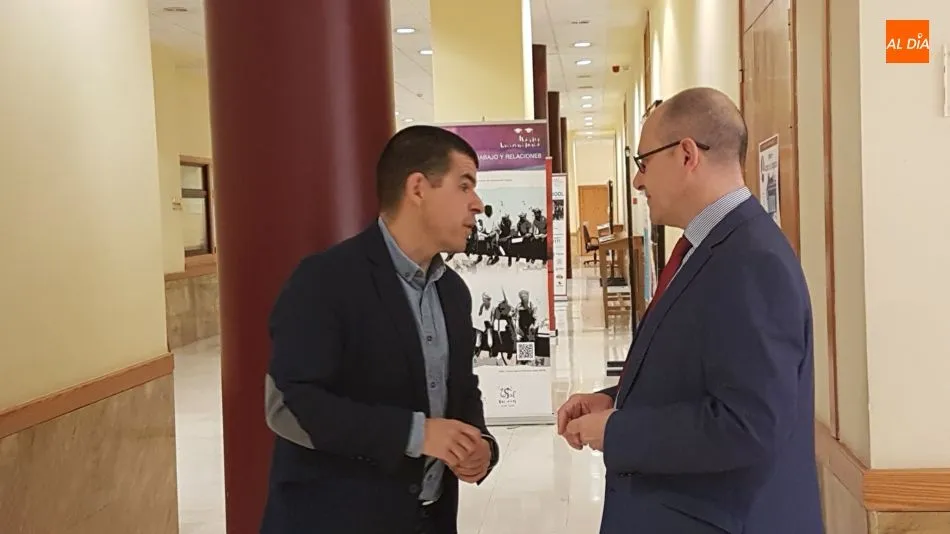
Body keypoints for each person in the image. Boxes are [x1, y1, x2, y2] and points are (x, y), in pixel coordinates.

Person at [557, 87, 823, 534]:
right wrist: (616, 400)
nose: (637, 182)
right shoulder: (708, 248)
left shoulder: (751, 260)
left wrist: (618, 431)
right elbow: (699, 373)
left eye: (643, 163)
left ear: (686, 155)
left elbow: (748, 423)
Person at [260, 125, 500, 534]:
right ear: (418, 188)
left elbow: (461, 388)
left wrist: (481, 444)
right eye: (464, 186)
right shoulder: (325, 280)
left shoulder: (452, 292)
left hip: (431, 518)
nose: (477, 204)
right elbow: (290, 405)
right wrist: (414, 434)